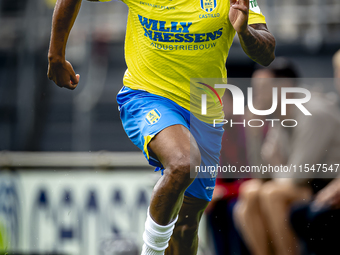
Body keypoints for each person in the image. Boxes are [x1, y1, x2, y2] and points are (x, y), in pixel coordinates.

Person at [47, 0, 275, 254]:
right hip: (146, 96)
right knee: (183, 162)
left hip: (205, 113)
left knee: (186, 228)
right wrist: (56, 54)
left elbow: (266, 53)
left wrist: (244, 31)